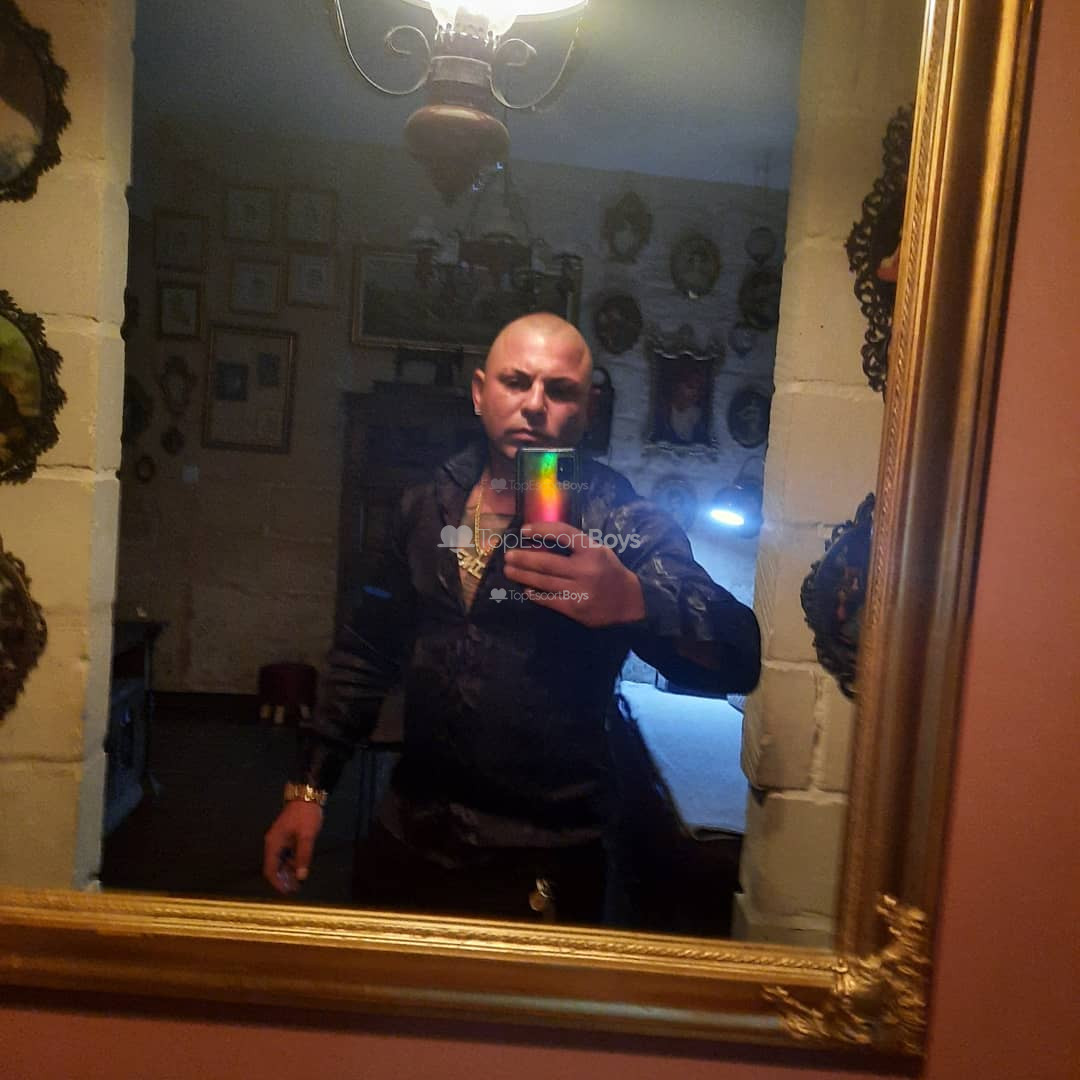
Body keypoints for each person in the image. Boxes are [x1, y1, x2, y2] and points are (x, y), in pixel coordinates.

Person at [263, 313, 760, 924]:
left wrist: (636, 600)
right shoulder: (427, 505)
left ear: (588, 408)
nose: (534, 404)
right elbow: (367, 649)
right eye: (516, 381)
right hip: (409, 834)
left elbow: (739, 652)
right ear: (480, 392)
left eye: (560, 390)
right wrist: (309, 789)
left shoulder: (616, 517)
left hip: (545, 858)